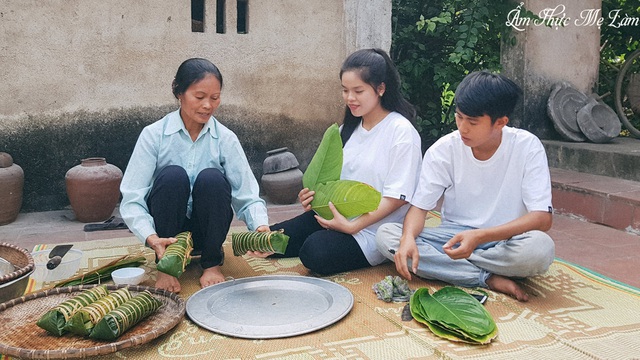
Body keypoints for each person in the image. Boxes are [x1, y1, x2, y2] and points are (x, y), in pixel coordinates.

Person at [375, 71, 555, 302]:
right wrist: (408, 237)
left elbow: (542, 218)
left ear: (500, 122)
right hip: (454, 237)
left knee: (540, 250)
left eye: (472, 122)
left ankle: (452, 268)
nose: (462, 128)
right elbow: (419, 208)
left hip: (507, 237)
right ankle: (487, 277)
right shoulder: (443, 150)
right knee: (387, 236)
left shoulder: (527, 147)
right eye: (459, 117)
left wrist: (480, 237)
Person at [249, 48, 422, 275]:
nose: (350, 98)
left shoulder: (401, 133)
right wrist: (312, 197)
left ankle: (330, 242)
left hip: (373, 229)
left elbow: (396, 198)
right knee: (265, 239)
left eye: (358, 91)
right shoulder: (345, 131)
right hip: (336, 217)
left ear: (381, 88)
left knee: (314, 252)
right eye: (345, 90)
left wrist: (352, 226)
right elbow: (331, 182)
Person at [120, 58, 270, 293]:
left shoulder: (225, 138)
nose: (208, 105)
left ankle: (211, 263)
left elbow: (247, 194)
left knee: (212, 178)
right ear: (178, 92)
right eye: (199, 97)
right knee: (172, 177)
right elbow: (131, 198)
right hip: (166, 236)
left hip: (207, 232)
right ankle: (166, 267)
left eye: (215, 97)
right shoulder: (153, 135)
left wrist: (261, 228)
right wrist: (150, 237)